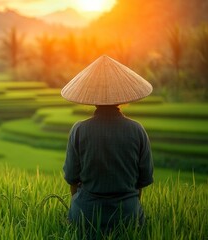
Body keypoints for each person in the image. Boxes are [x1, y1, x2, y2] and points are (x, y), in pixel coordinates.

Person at [60, 55, 154, 236]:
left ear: (91, 96)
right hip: (129, 216)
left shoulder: (79, 130)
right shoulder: (137, 130)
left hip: (84, 216)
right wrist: (130, 206)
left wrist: (79, 208)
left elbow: (71, 177)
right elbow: (143, 180)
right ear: (121, 97)